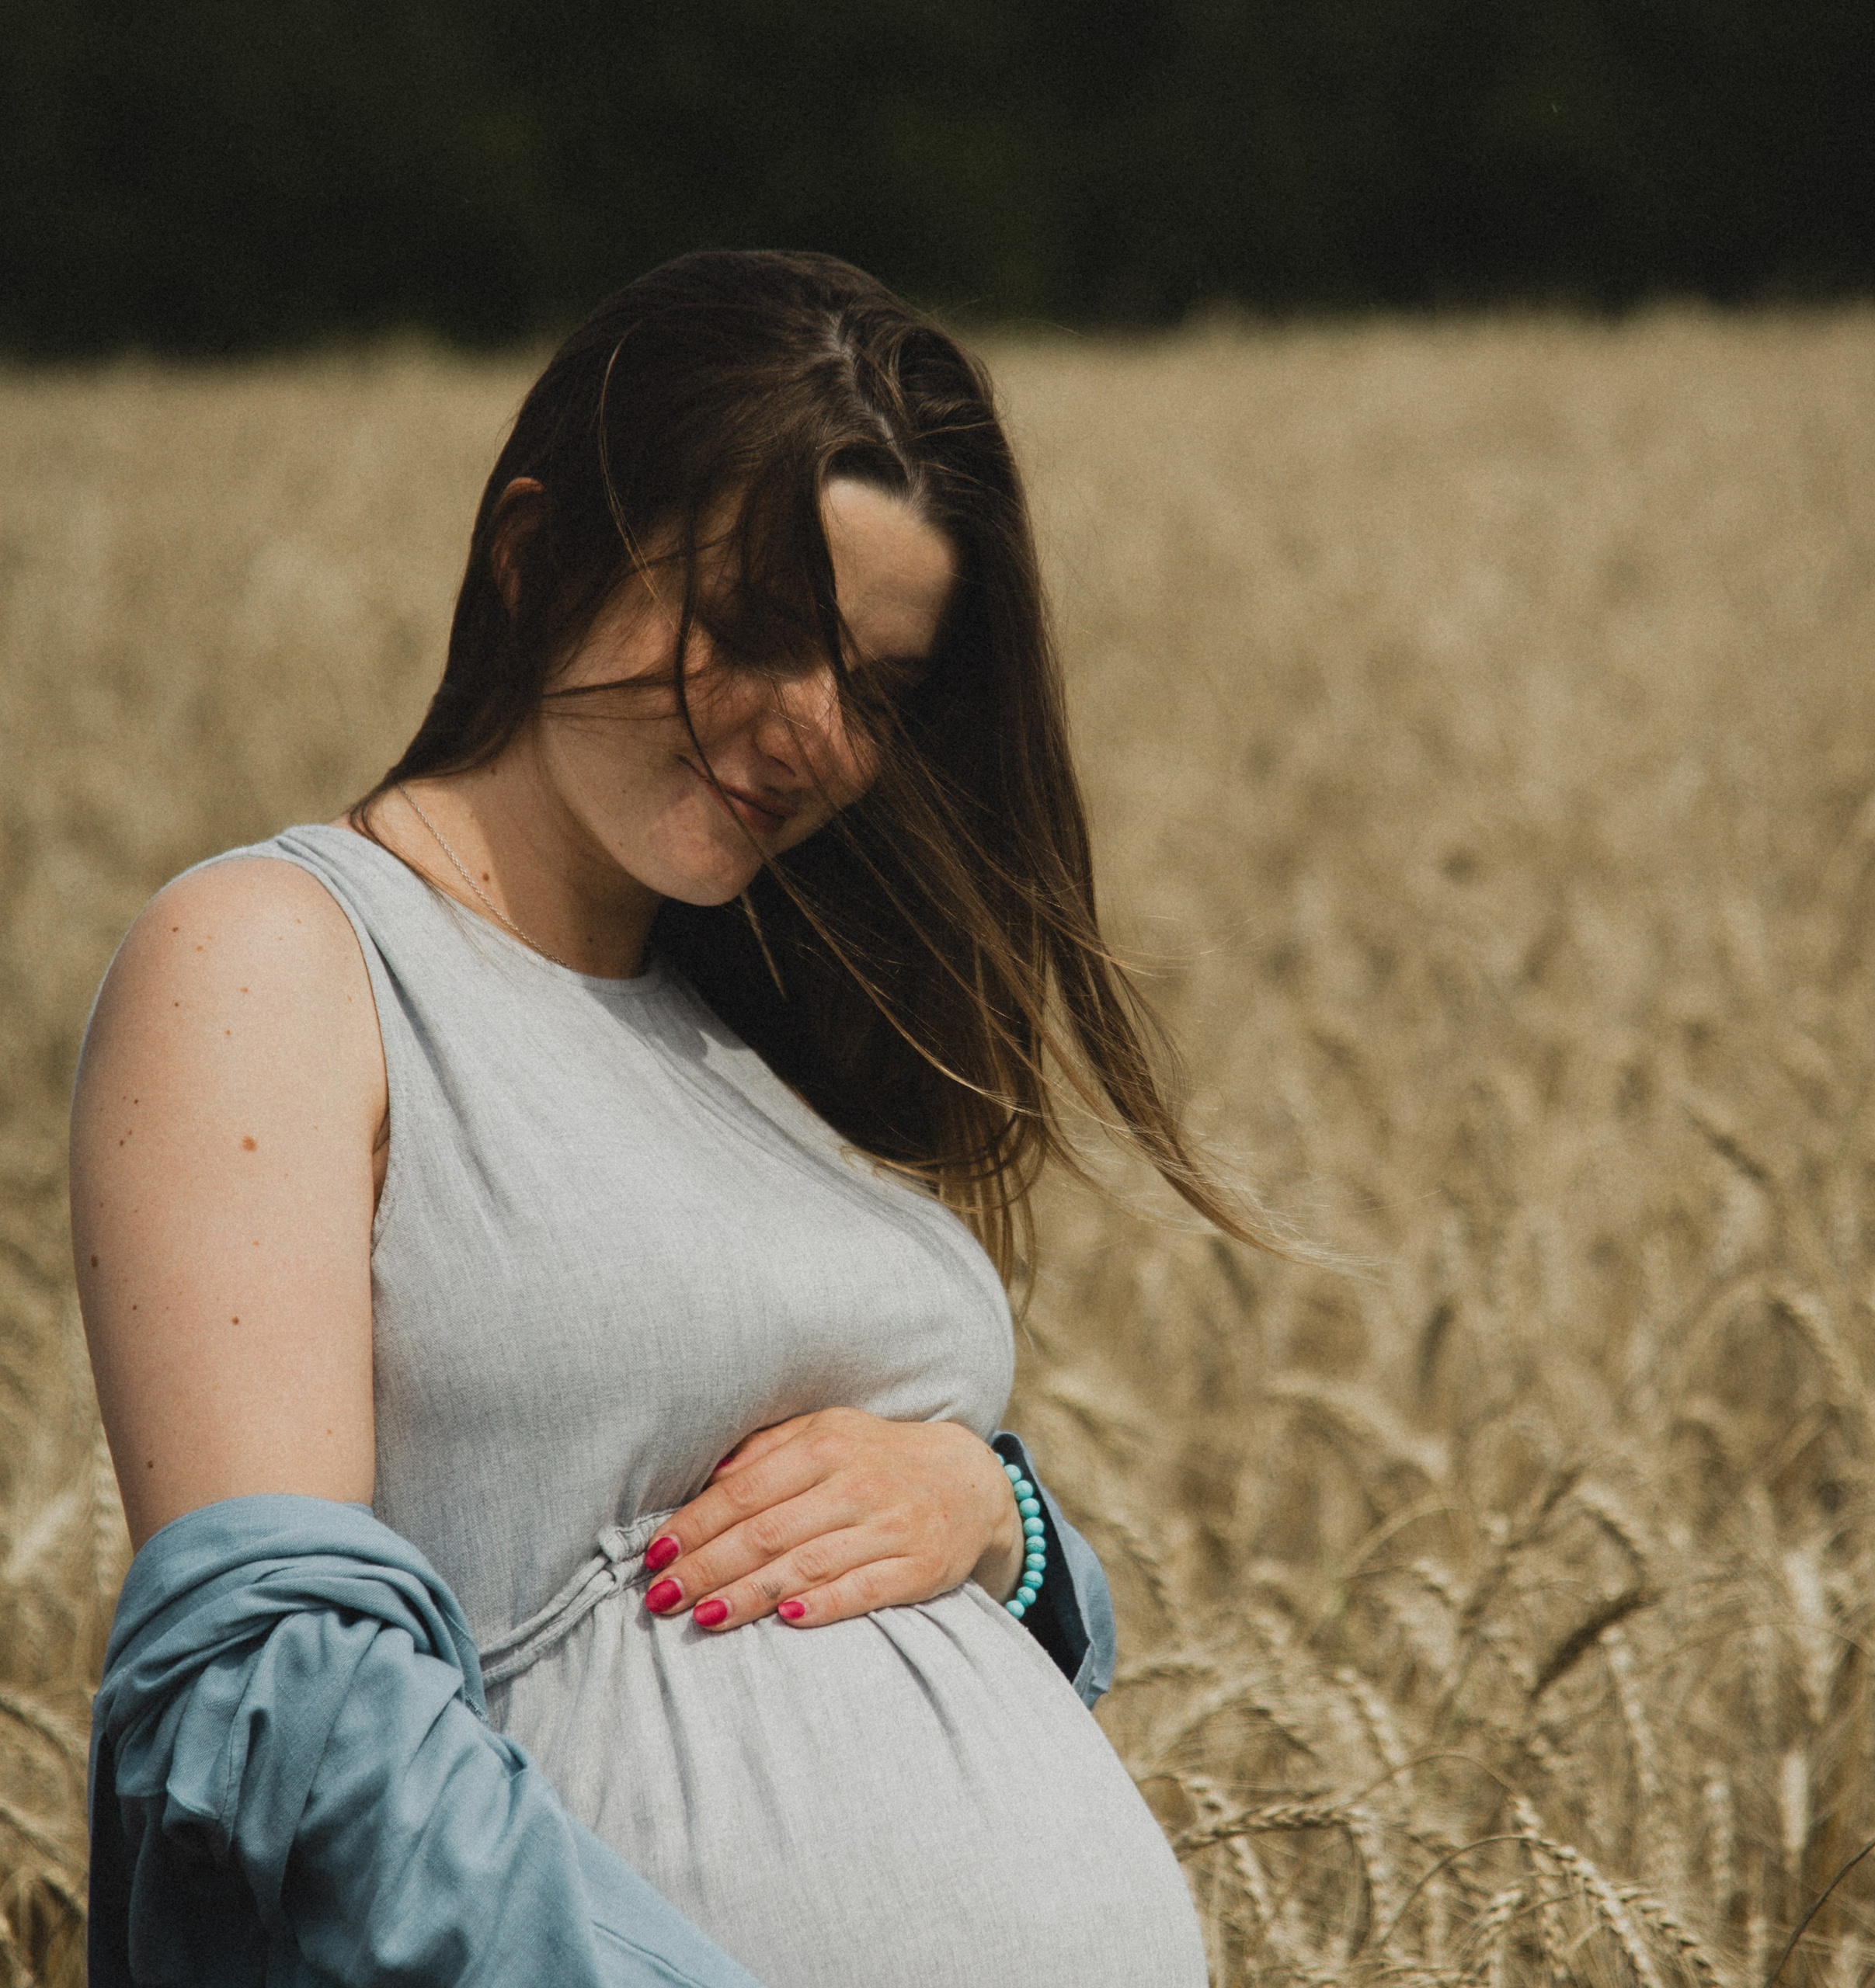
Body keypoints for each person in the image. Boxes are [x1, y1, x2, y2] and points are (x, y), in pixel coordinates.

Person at [75, 251, 1264, 1987]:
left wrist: (997, 1521)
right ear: (535, 551)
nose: (812, 731)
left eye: (880, 684)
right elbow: (275, 1689)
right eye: (759, 626)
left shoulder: (751, 1041)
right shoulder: (280, 955)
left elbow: (853, 1574)